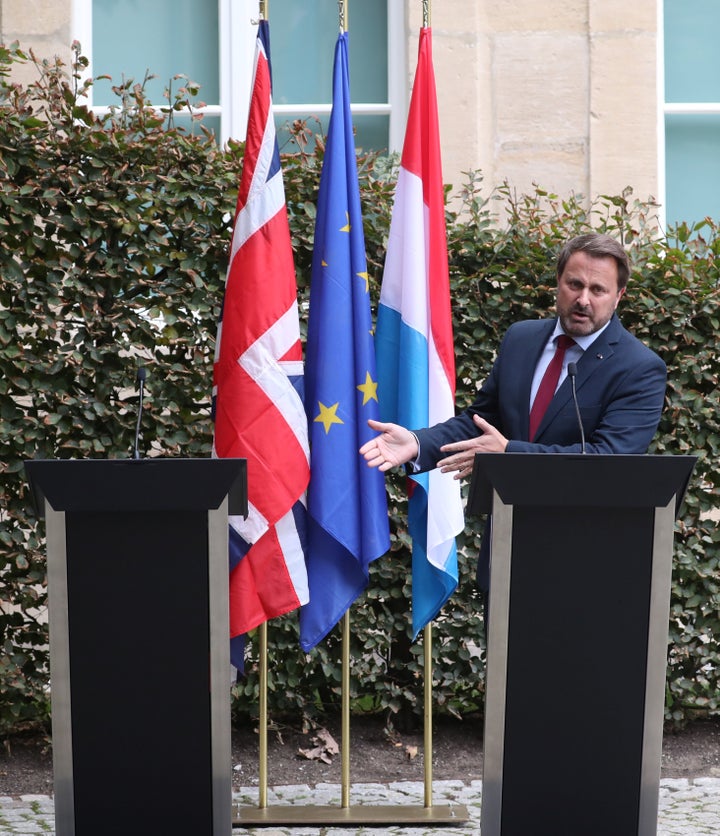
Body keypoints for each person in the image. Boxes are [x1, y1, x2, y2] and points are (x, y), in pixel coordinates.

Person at [360, 232, 667, 591]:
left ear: (618, 297)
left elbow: (608, 460)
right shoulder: (521, 339)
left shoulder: (640, 368)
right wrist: (417, 442)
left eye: (598, 290)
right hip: (506, 551)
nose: (583, 299)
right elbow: (481, 422)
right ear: (558, 282)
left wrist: (509, 455)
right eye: (574, 284)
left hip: (584, 565)